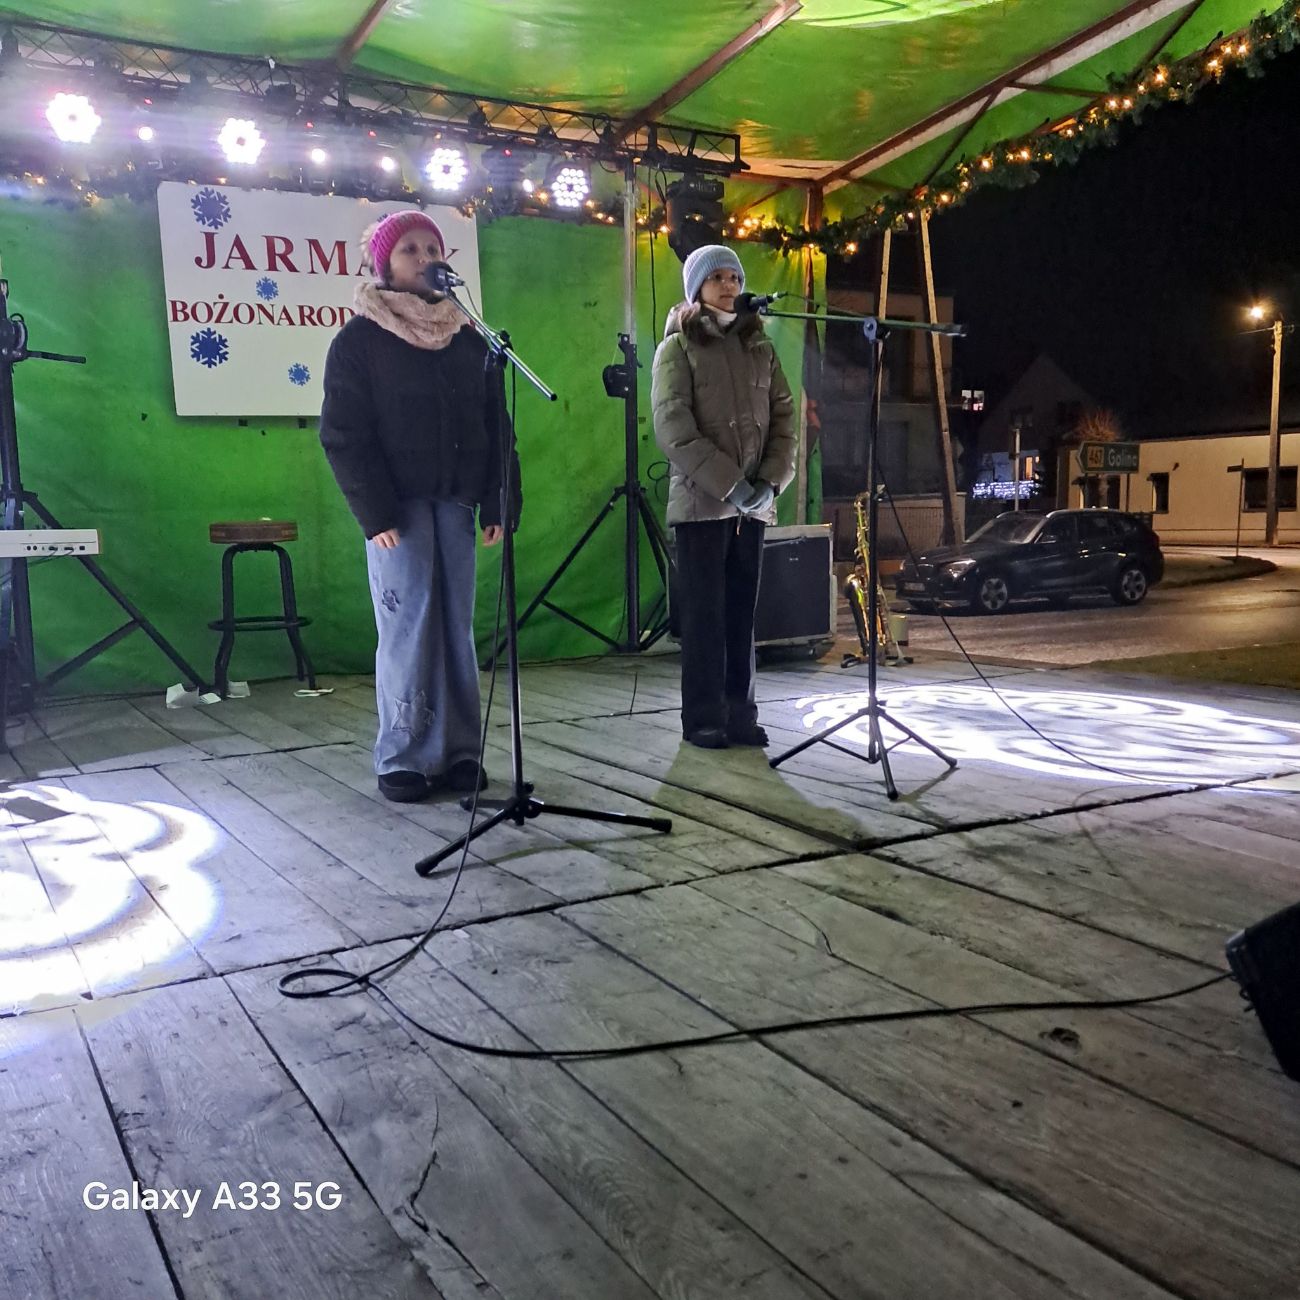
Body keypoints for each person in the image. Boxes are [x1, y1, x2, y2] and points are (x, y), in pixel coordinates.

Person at [319, 209, 519, 801]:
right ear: (384, 265)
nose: (426, 256)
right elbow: (344, 434)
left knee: (455, 629)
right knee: (409, 628)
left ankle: (459, 751)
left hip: (457, 501)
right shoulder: (359, 340)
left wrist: (499, 500)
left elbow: (495, 425)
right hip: (398, 511)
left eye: (433, 247)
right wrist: (374, 513)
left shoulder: (468, 338)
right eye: (409, 248)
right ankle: (404, 754)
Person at [651, 244, 796, 749]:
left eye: (735, 276)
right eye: (718, 278)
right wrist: (732, 486)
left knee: (741, 614)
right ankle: (704, 719)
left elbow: (785, 421)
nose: (730, 285)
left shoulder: (762, 347)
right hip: (702, 507)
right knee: (705, 616)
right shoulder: (677, 348)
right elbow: (674, 428)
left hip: (753, 508)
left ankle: (741, 714)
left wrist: (770, 483)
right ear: (696, 288)